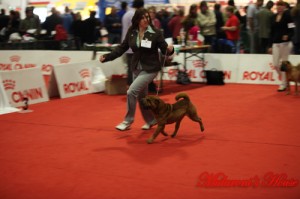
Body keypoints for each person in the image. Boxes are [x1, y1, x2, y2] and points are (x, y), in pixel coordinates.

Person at [99, 8, 174, 131]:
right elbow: (122, 48)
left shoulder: (156, 32)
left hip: (151, 69)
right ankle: (151, 120)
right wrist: (107, 57)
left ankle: (128, 121)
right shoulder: (132, 31)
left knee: (131, 92)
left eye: (147, 17)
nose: (146, 20)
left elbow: (165, 48)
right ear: (137, 19)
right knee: (142, 98)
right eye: (143, 17)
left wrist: (170, 50)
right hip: (136, 68)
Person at [268, 1, 294, 92]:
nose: (279, 7)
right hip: (275, 43)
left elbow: (292, 29)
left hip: (285, 44)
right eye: (278, 5)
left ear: (284, 7)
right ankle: (285, 80)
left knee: (283, 64)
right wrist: (270, 45)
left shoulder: (288, 17)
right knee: (275, 64)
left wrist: (288, 36)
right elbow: (271, 32)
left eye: (281, 5)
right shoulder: (272, 17)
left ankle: (283, 84)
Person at [122, 0, 144, 86]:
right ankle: (133, 86)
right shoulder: (135, 15)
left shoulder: (126, 14)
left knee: (130, 66)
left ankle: (129, 84)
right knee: (135, 67)